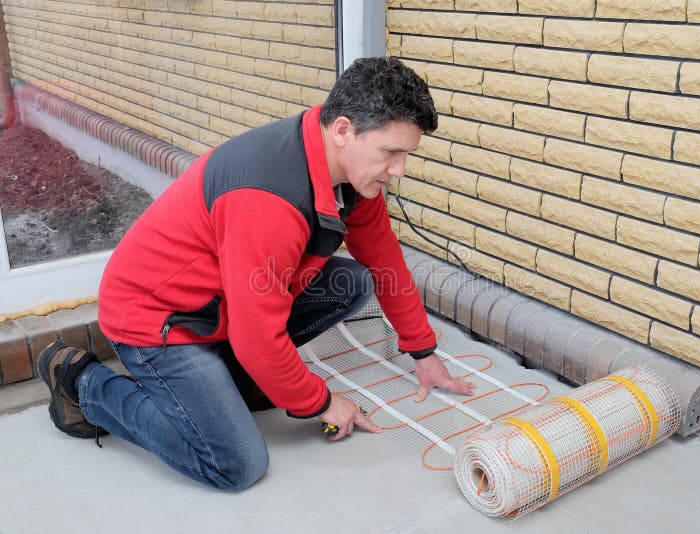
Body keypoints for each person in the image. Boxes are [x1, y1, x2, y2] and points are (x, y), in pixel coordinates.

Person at [38, 57, 476, 491]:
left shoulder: (348, 174)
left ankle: (235, 378)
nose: (398, 170)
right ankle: (85, 385)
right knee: (236, 463)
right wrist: (318, 401)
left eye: (406, 155)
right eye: (391, 153)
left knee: (354, 281)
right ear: (343, 130)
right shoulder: (269, 198)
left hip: (222, 302)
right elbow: (255, 331)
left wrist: (422, 352)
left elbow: (384, 262)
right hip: (159, 319)